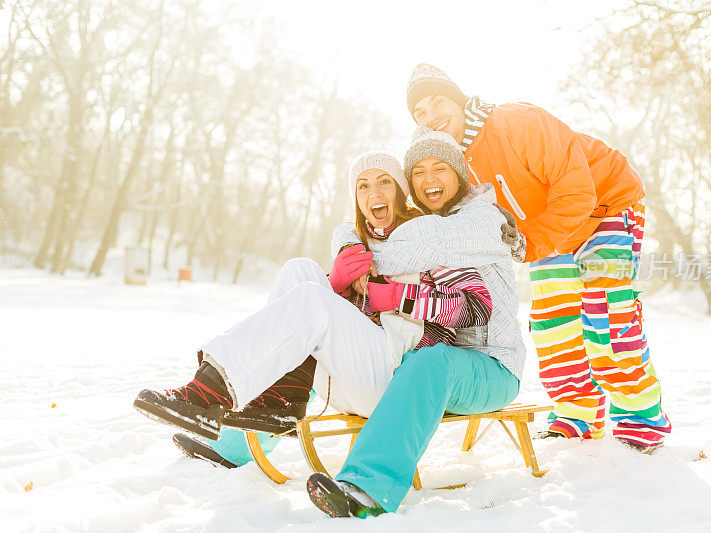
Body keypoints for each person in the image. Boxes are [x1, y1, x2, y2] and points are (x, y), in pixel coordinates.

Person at [132, 151, 495, 444]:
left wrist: (397, 296)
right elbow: (327, 318)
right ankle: (281, 399)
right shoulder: (358, 245)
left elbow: (477, 307)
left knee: (311, 297)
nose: (375, 193)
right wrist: (336, 282)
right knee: (299, 271)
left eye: (385, 182)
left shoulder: (428, 239)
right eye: (364, 186)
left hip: (398, 379)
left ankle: (207, 391)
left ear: (400, 192)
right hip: (349, 377)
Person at [404, 63, 671, 451]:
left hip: (606, 208)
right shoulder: (452, 163)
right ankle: (578, 416)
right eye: (420, 113)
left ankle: (641, 422)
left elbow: (577, 189)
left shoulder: (516, 122)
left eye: (437, 102)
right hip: (547, 236)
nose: (431, 116)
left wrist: (531, 243)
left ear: (459, 100)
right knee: (552, 325)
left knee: (606, 314)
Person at [306, 127, 525, 518]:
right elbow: (371, 230)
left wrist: (384, 284)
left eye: (439, 168)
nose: (429, 180)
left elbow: (475, 307)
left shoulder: (470, 223)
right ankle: (234, 440)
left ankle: (367, 486)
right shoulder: (420, 229)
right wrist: (347, 249)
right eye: (419, 172)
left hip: (493, 365)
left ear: (459, 175)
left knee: (430, 360)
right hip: (433, 367)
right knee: (318, 331)